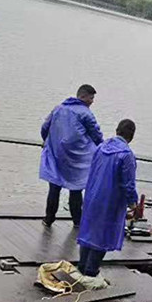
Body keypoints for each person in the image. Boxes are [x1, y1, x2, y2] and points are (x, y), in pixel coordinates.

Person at [77, 119, 139, 277]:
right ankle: (91, 272)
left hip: (92, 196)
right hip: (110, 201)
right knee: (102, 237)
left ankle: (81, 267)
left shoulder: (101, 147)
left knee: (88, 233)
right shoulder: (126, 155)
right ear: (131, 136)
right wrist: (133, 204)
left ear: (117, 130)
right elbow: (128, 184)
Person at [40, 84, 103, 227]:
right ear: (83, 96)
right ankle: (77, 222)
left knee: (54, 187)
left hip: (57, 156)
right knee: (76, 189)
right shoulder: (86, 114)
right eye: (91, 98)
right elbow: (96, 135)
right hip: (77, 159)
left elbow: (45, 127)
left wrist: (46, 142)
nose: (92, 101)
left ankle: (48, 219)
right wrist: (103, 149)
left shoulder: (58, 109)